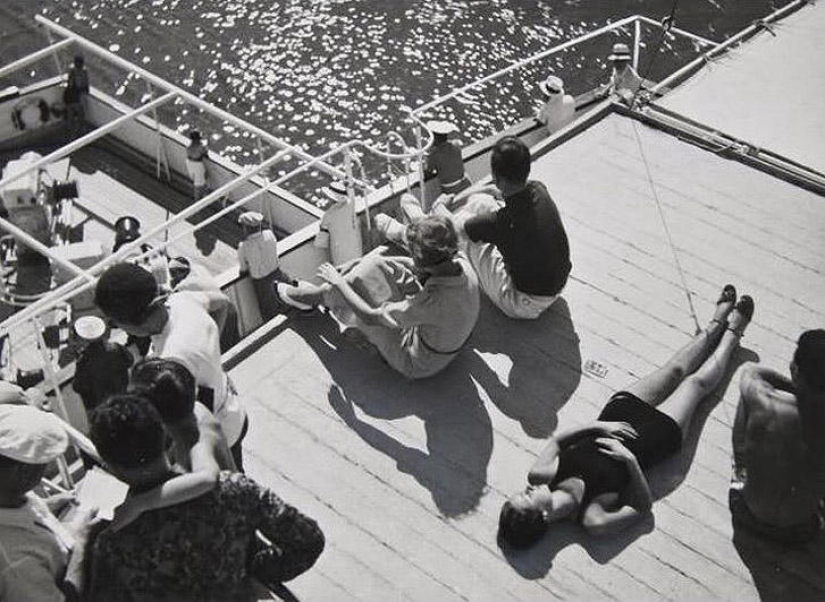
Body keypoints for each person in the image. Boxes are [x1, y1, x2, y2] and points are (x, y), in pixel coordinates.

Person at [498, 288, 753, 548]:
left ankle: (715, 324)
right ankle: (732, 335)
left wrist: (599, 425)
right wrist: (628, 459)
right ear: (541, 516)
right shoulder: (592, 520)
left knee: (674, 370)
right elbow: (642, 508)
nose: (527, 489)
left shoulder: (541, 475)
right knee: (694, 384)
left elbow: (557, 441)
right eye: (526, 497)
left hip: (615, 416)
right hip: (653, 440)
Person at [87, 395, 325, 600]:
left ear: (110, 466)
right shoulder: (234, 490)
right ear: (166, 437)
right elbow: (308, 541)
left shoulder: (113, 546)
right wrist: (255, 571)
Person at [277, 215, 480, 379]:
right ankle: (319, 295)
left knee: (349, 290)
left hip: (417, 362)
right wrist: (360, 261)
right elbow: (412, 264)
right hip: (444, 340)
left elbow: (371, 316)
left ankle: (302, 296)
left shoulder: (430, 303)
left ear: (423, 259)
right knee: (374, 263)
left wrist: (338, 281)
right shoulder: (462, 264)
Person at [94, 262, 249, 471]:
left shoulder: (171, 363)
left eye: (113, 324)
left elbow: (178, 430)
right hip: (232, 409)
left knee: (232, 482)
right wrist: (211, 346)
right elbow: (222, 303)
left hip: (217, 436)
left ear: (131, 322)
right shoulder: (182, 301)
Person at [445, 136, 571, 320]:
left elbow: (458, 230)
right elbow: (506, 207)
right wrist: (486, 192)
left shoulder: (503, 222)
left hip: (523, 302)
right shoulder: (538, 189)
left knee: (465, 238)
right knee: (482, 203)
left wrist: (441, 206)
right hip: (556, 285)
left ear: (496, 178)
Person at [730, 329, 825, 544]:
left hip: (746, 512)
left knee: (748, 402)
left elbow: (753, 372)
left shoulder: (762, 398)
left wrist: (797, 389)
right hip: (801, 529)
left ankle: (740, 468)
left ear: (795, 370)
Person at [0, 404, 97, 601]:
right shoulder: (14, 562)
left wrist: (51, 503)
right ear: (23, 472)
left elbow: (25, 510)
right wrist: (83, 542)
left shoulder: (9, 493)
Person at [237, 211, 282, 321]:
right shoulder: (269, 234)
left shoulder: (244, 246)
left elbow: (243, 269)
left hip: (262, 283)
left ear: (246, 228)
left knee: (268, 312)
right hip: (277, 274)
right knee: (283, 302)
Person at [315, 179, 363, 265]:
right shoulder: (354, 205)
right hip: (358, 253)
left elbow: (320, 243)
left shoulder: (328, 216)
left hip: (341, 259)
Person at [424, 120, 473, 196]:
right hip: (465, 183)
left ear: (435, 138)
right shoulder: (456, 144)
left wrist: (426, 159)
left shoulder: (434, 155)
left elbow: (427, 173)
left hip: (450, 190)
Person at [63, 55, 89, 132]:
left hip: (68, 94)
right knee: (80, 113)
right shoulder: (80, 72)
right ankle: (80, 129)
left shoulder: (71, 69)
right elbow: (79, 85)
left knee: (70, 113)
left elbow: (70, 83)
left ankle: (70, 129)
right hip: (73, 95)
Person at [186, 130, 209, 199]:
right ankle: (197, 200)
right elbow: (206, 155)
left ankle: (203, 193)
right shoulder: (201, 147)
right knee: (198, 184)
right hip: (197, 165)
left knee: (201, 179)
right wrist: (206, 146)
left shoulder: (189, 147)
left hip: (189, 162)